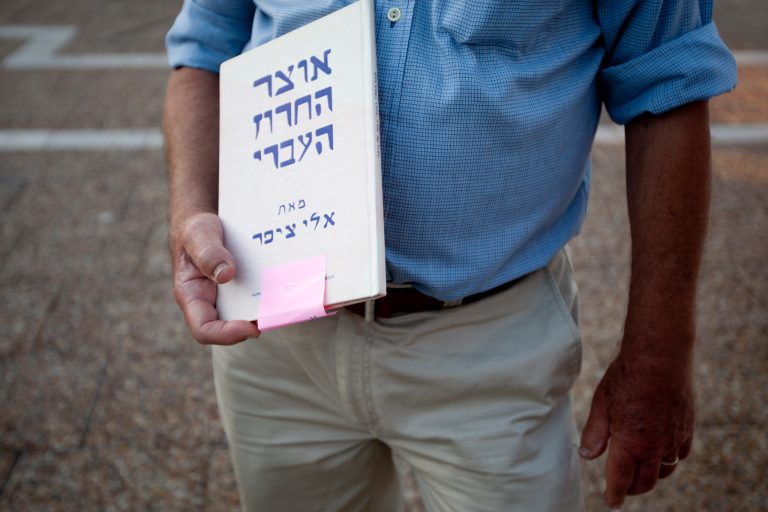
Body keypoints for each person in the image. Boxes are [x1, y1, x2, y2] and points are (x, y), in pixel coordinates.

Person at [163, 1, 736, 510]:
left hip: (489, 346)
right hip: (276, 340)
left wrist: (658, 355)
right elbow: (205, 51)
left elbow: (668, 83)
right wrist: (190, 211)